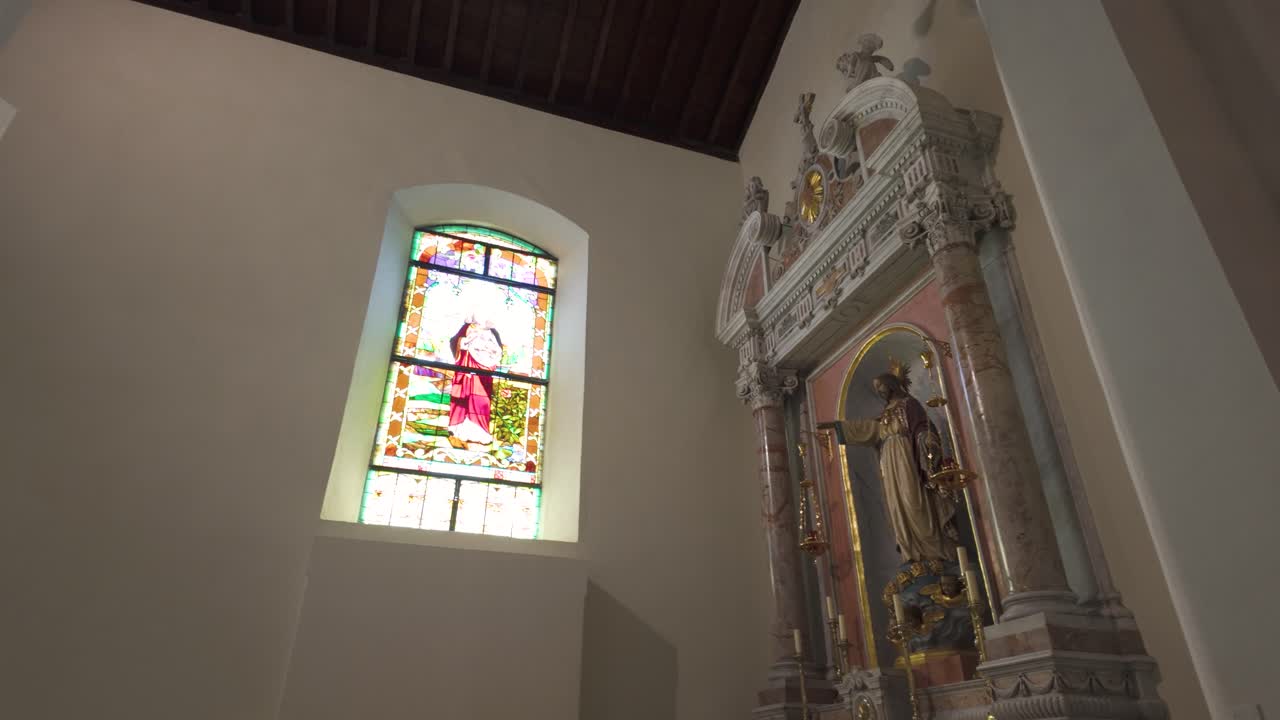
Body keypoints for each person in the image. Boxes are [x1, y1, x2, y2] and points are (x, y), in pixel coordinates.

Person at [834, 362, 958, 562]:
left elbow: (922, 427)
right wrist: (840, 428)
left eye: (881, 386)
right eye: (876, 389)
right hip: (889, 462)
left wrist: (927, 442)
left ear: (891, 385)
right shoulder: (884, 413)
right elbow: (871, 430)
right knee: (896, 505)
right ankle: (912, 554)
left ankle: (935, 551)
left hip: (906, 456)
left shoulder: (909, 404)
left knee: (914, 501)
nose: (879, 391)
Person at [446, 320, 504, 450]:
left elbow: (498, 351)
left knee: (480, 399)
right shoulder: (467, 327)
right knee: (462, 398)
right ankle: (458, 430)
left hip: (483, 374)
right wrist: (465, 342)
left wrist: (485, 348)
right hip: (465, 371)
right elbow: (455, 342)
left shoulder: (492, 332)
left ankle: (480, 432)